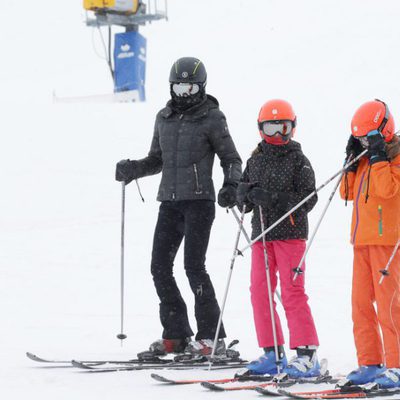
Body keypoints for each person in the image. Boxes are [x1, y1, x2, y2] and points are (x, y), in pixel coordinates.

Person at [115, 57, 242, 357]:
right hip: (169, 204)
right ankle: (176, 334)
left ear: (201, 87)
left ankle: (211, 338)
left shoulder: (213, 117)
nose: (183, 93)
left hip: (199, 203)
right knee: (159, 267)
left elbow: (232, 159)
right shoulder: (164, 117)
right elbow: (156, 160)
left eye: (190, 87)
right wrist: (132, 168)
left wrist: (231, 187)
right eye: (178, 87)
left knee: (194, 267)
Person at [236, 99, 320, 378]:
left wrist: (274, 199)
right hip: (261, 234)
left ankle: (307, 354)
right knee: (259, 291)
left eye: (282, 127)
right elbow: (245, 193)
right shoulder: (255, 159)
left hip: (291, 235)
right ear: (260, 129)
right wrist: (239, 196)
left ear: (292, 128)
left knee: (293, 291)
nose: (276, 135)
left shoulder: (299, 160)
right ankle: (273, 352)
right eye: (270, 128)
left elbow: (309, 198)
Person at [340, 99, 400, 388]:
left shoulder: (397, 156)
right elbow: (346, 194)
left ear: (383, 131)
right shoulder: (365, 158)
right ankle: (370, 362)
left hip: (388, 242)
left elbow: (387, 191)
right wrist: (351, 162)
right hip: (361, 242)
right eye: (359, 138)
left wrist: (379, 159)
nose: (364, 142)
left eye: (368, 138)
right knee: (360, 304)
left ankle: (397, 365)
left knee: (390, 305)